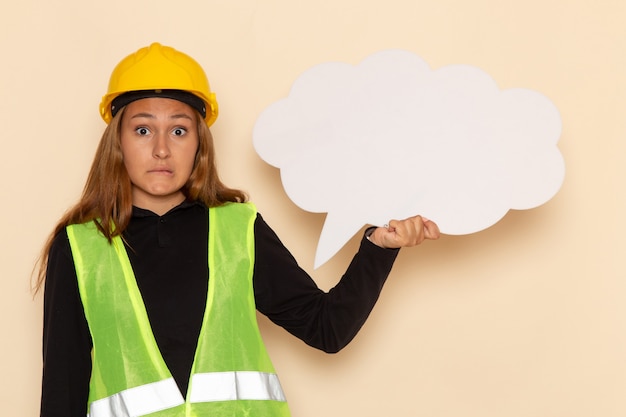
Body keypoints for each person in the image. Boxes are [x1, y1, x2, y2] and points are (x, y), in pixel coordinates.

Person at [35, 42, 440, 417]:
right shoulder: (78, 248)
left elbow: (327, 328)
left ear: (200, 142)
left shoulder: (238, 228)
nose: (161, 148)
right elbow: (61, 391)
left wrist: (379, 248)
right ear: (118, 141)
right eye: (143, 130)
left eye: (179, 130)